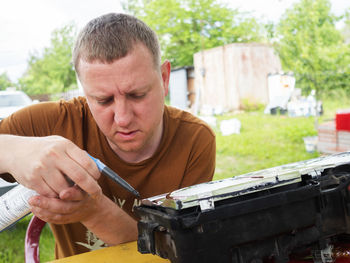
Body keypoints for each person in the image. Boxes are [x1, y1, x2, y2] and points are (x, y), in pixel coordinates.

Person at [0, 13, 216, 259]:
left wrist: (94, 212)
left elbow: (174, 252)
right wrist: (12, 151)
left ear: (164, 78)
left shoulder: (194, 140)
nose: (123, 118)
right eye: (103, 100)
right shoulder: (51, 123)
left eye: (137, 94)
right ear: (84, 91)